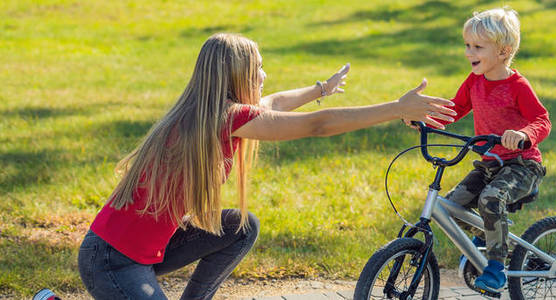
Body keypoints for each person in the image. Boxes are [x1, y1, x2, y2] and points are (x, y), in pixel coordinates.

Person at [70, 33, 455, 300]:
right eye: (259, 67)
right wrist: (396, 109)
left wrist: (320, 89)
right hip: (112, 260)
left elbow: (274, 103)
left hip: (140, 251)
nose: (264, 75)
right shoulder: (225, 118)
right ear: (236, 75)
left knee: (241, 227)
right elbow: (317, 126)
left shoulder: (206, 113)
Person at [404, 7, 550, 294]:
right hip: (491, 163)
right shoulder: (474, 82)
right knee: (451, 210)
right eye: (467, 45)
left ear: (503, 51)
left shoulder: (517, 86)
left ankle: (496, 267)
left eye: (478, 47)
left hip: (522, 165)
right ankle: (493, 240)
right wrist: (423, 118)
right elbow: (454, 109)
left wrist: (522, 134)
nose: (469, 52)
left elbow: (542, 121)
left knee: (491, 199)